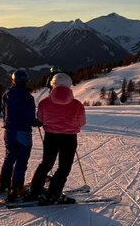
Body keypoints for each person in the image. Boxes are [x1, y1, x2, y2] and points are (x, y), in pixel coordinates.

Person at [28, 73, 86, 205]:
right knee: (64, 166)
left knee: (46, 163)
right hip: (69, 138)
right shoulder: (77, 105)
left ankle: (35, 190)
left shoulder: (44, 103)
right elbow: (81, 122)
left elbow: (41, 120)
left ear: (53, 85)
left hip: (51, 136)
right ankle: (54, 194)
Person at [0, 70, 37, 200]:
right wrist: (37, 122)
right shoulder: (28, 97)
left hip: (9, 131)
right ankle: (17, 187)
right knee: (21, 161)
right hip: (23, 132)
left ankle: (4, 183)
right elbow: (30, 119)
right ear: (26, 81)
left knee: (9, 157)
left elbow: (3, 111)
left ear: (14, 80)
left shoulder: (7, 94)